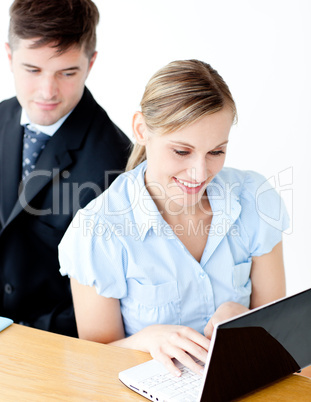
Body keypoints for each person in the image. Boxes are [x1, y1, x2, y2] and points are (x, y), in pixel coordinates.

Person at [59, 59, 289, 375]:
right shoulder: (97, 230)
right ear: (141, 130)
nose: (200, 172)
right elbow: (94, 360)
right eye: (181, 152)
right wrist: (146, 340)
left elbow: (282, 332)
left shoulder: (254, 199)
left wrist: (248, 320)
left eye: (216, 152)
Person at [0, 0, 131, 337]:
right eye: (32, 70)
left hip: (56, 345)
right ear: (9, 57)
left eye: (67, 72)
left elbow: (115, 296)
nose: (47, 92)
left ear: (91, 63)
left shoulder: (119, 163)